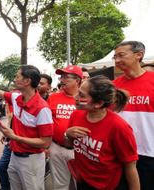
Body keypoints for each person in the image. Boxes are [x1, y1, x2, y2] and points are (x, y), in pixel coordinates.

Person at [65, 75, 140, 190]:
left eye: (81, 95)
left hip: (109, 185)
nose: (75, 96)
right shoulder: (76, 115)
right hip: (83, 181)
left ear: (98, 103)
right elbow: (69, 145)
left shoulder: (119, 127)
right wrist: (67, 135)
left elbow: (130, 166)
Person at [113, 41, 154, 190]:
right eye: (115, 57)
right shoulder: (113, 86)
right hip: (119, 154)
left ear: (139, 55)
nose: (117, 60)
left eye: (121, 55)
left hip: (148, 154)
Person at [47, 65, 83, 190]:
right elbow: (46, 122)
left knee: (81, 184)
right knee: (60, 185)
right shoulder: (53, 97)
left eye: (66, 77)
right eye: (61, 76)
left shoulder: (86, 98)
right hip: (56, 147)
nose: (61, 80)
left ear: (77, 80)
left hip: (80, 150)